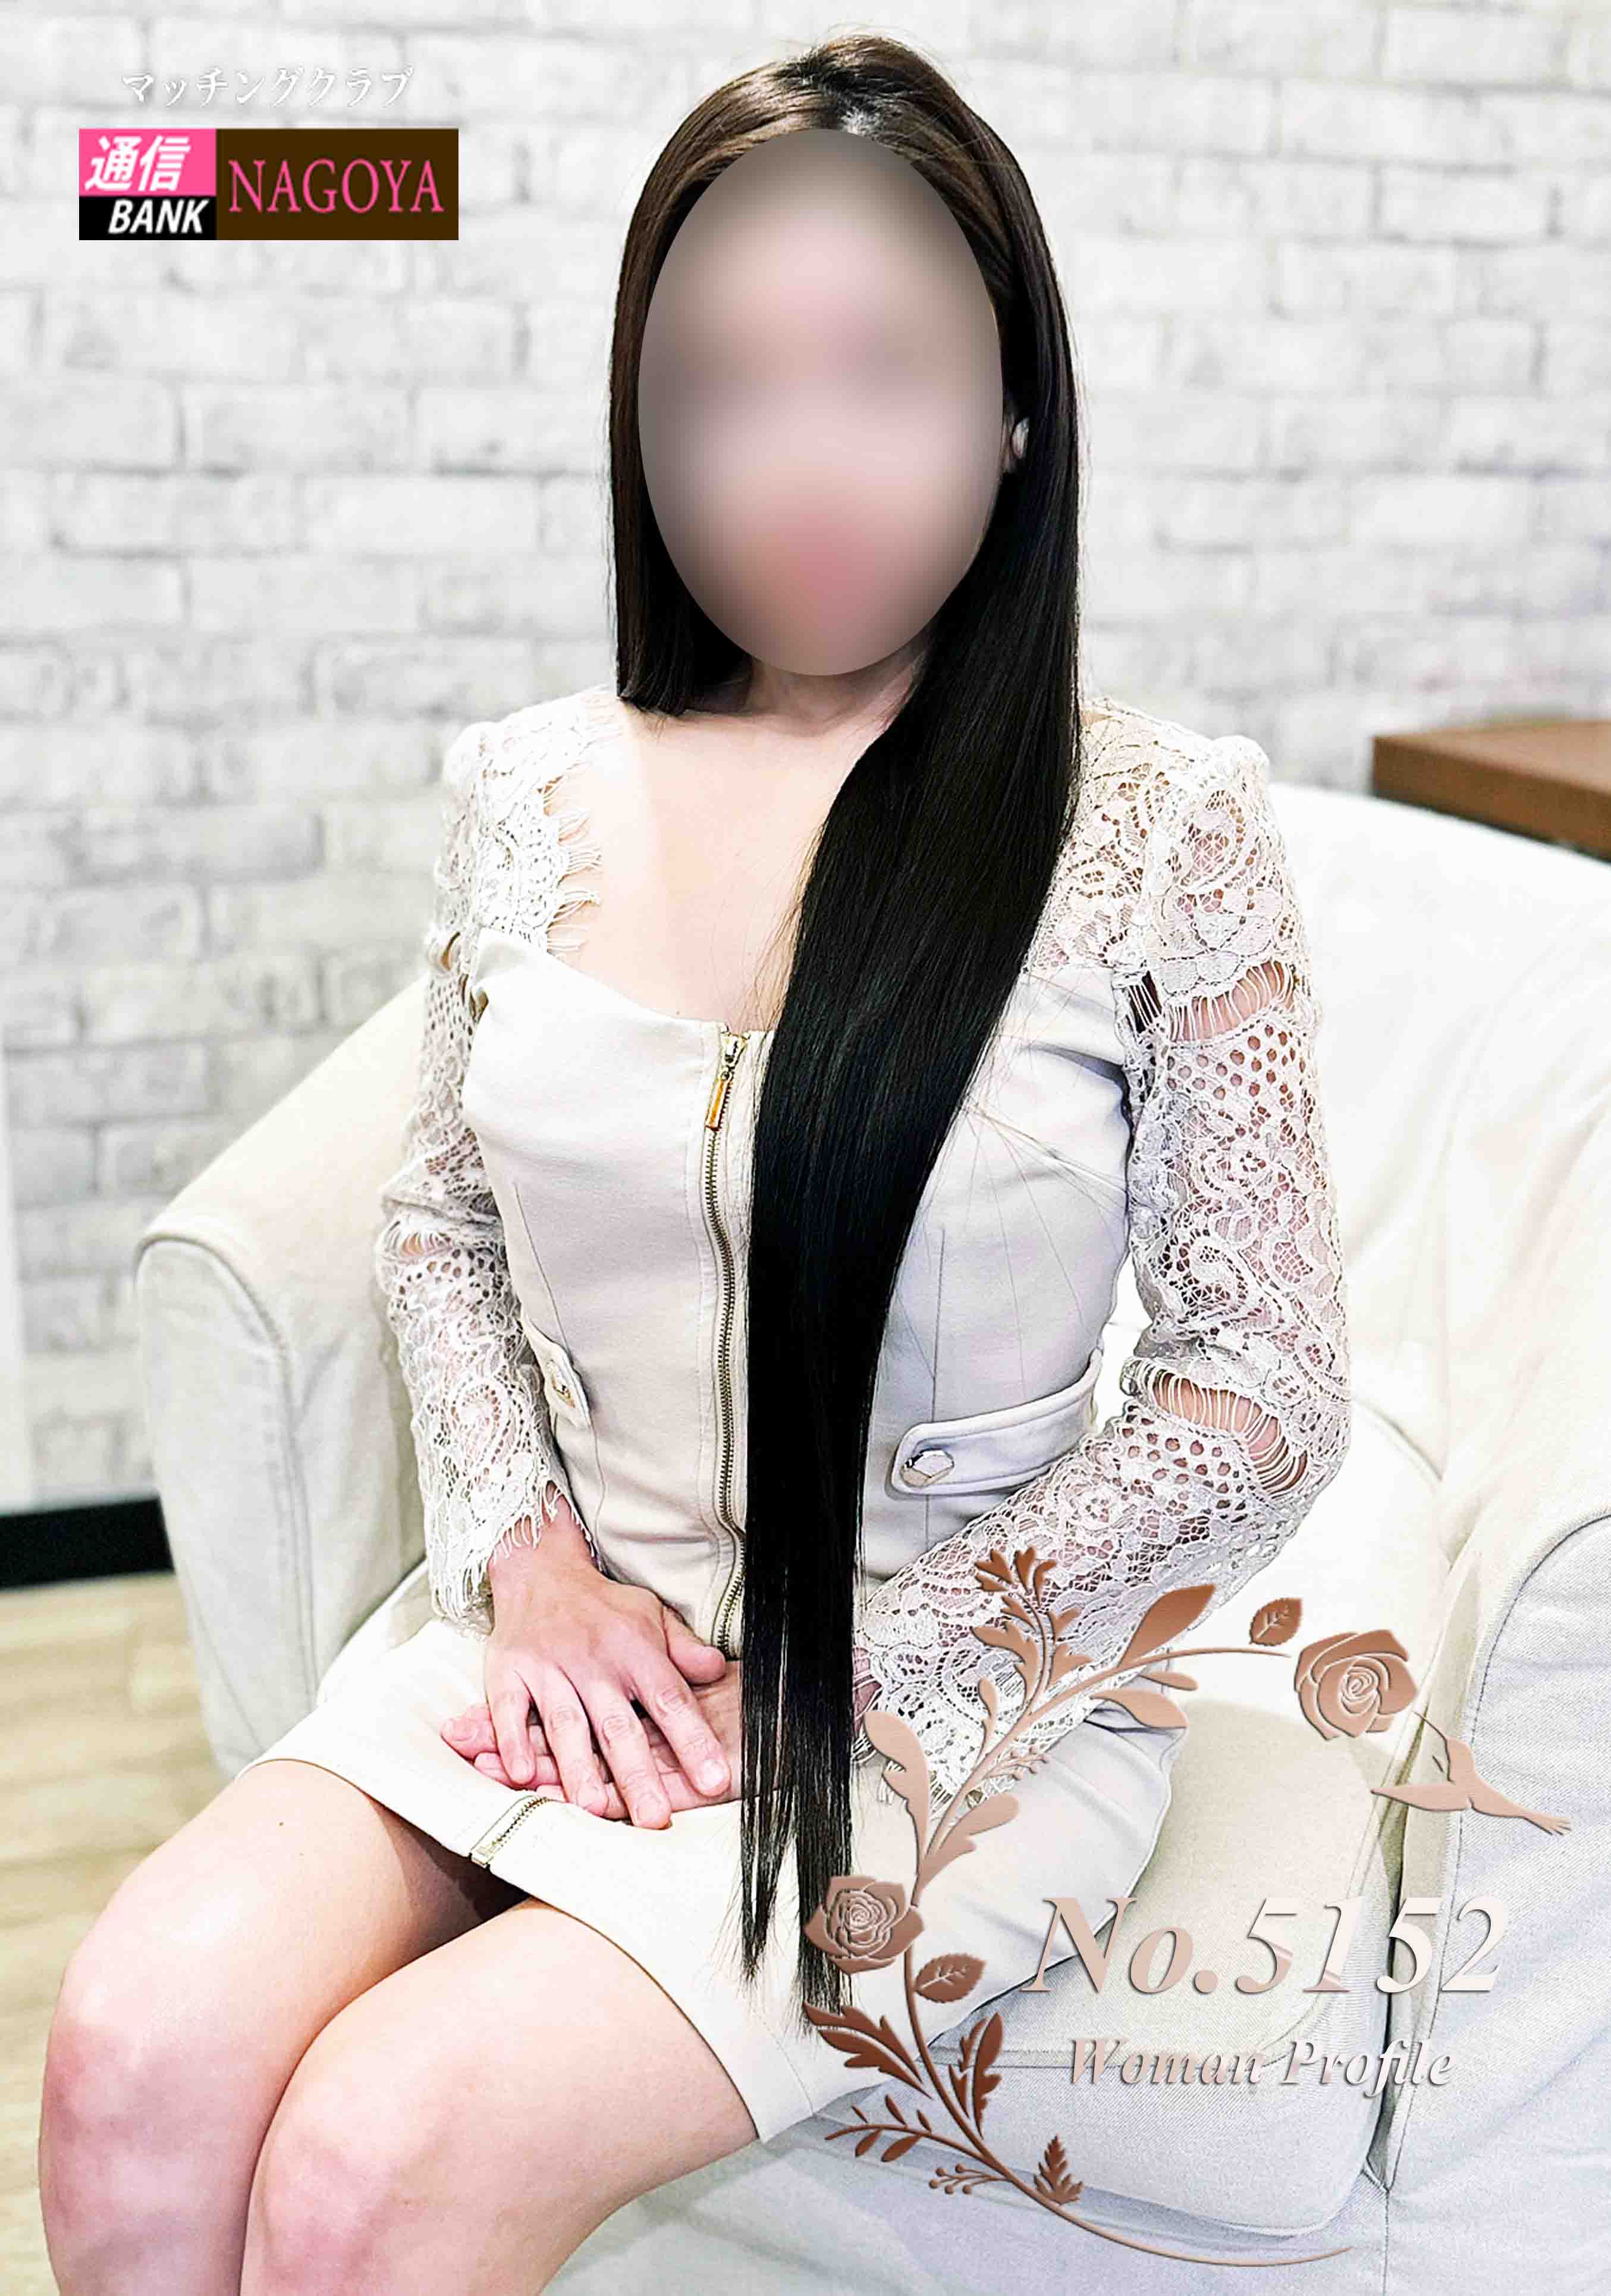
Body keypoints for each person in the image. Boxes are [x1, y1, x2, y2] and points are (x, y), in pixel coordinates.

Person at [39, 34, 1352, 2296]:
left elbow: (1269, 1384)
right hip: (565, 1639)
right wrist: (529, 1563)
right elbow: (442, 1220)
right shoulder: (529, 784)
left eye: (881, 371)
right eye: (716, 391)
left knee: (372, 2162)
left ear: (1016, 405)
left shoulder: (1155, 827)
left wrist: (883, 1651)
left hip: (948, 1705)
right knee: (125, 2053)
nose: (795, 461)